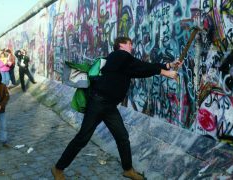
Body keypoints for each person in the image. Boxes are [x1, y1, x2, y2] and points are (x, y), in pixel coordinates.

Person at [51, 37, 182, 180]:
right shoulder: (119, 55)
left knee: (122, 137)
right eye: (129, 44)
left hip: (109, 107)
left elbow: (142, 69)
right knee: (83, 138)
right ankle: (58, 168)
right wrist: (166, 72)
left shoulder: (123, 62)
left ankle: (128, 169)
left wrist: (168, 65)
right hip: (98, 103)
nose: (132, 46)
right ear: (121, 45)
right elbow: (140, 66)